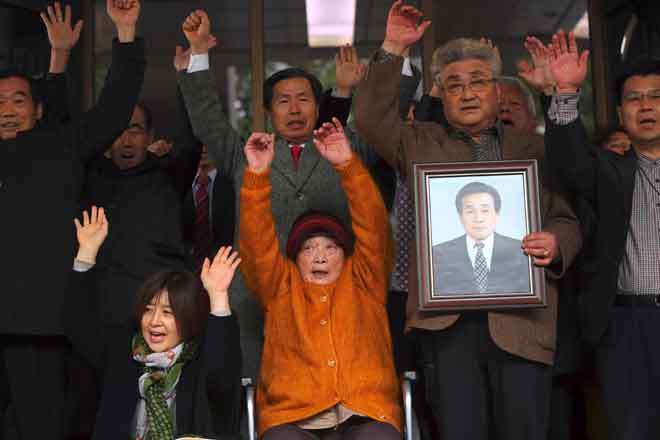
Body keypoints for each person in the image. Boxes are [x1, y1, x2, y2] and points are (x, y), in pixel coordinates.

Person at [354, 2, 581, 439]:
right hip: (447, 326)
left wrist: (555, 243)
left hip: (522, 324)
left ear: (498, 91)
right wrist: (393, 48)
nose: (468, 92)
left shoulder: (532, 147)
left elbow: (565, 216)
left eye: (478, 82)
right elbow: (369, 118)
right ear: (442, 94)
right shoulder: (420, 143)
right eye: (454, 85)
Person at [175, 10, 394, 377]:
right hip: (254, 298)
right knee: (251, 384)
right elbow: (207, 119)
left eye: (304, 99)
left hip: (331, 293)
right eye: (283, 101)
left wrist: (394, 52)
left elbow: (386, 121)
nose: (294, 109)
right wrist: (198, 53)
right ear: (269, 111)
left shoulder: (344, 148)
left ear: (317, 106)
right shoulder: (245, 152)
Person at [0, 1, 144, 438]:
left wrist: (124, 33)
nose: (7, 108)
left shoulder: (59, 146)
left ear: (38, 110)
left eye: (18, 100)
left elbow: (114, 108)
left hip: (39, 327)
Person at [238, 119, 400, 439]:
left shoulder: (366, 279)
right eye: (309, 249)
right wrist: (256, 178)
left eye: (331, 247)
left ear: (346, 254)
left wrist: (347, 166)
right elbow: (257, 245)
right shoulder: (280, 286)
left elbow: (374, 227)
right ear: (295, 258)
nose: (321, 257)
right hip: (293, 417)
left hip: (365, 411)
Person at [540, 29, 660, 440]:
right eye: (635, 98)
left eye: (656, 97)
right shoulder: (610, 170)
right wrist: (567, 91)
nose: (646, 106)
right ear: (621, 113)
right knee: (632, 428)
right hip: (625, 324)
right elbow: (570, 160)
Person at [67, 206, 242, 440]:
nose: (154, 321)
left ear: (188, 316)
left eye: (168, 312)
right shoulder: (123, 355)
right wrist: (86, 254)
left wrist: (218, 296)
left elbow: (222, 376)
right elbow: (80, 328)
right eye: (148, 310)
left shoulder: (200, 360)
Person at [432, 181, 530, 295]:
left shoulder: (521, 250)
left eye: (485, 211)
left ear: (497, 214)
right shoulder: (438, 254)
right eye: (470, 211)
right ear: (460, 216)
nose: (478, 218)